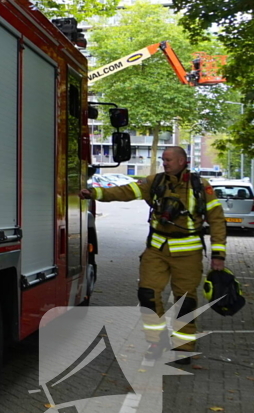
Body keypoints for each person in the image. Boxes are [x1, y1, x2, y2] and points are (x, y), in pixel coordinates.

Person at [80, 146, 226, 365]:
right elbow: (125, 191)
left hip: (188, 253)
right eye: (163, 159)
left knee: (185, 301)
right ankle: (156, 342)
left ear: (182, 161)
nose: (165, 163)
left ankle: (183, 346)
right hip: (156, 251)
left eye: (168, 160)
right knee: (147, 295)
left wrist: (218, 254)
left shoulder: (200, 186)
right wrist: (95, 193)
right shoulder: (155, 182)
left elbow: (216, 220)